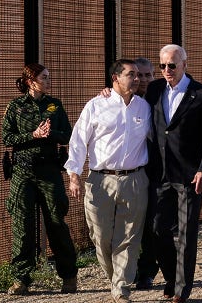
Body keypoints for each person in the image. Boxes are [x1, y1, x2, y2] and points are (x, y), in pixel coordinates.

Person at [65, 59, 151, 303]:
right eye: (131, 75)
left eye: (138, 75)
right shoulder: (96, 105)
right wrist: (74, 174)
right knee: (100, 236)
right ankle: (116, 277)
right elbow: (79, 141)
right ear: (115, 78)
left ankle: (121, 288)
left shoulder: (144, 107)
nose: (137, 79)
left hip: (135, 179)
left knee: (129, 237)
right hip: (100, 181)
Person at [144, 44, 202, 303]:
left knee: (187, 234)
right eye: (162, 66)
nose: (166, 70)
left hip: (189, 176)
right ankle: (171, 277)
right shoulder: (153, 90)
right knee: (157, 228)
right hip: (160, 173)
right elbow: (128, 101)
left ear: (185, 65)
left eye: (172, 66)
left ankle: (182, 288)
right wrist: (107, 92)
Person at [2, 63, 78, 295]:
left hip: (49, 171)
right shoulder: (15, 106)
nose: (48, 81)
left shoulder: (54, 105)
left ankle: (68, 276)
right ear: (30, 81)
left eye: (49, 77)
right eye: (44, 77)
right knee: (22, 226)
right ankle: (21, 280)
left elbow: (68, 133)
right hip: (23, 173)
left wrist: (51, 133)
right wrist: (32, 134)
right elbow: (7, 137)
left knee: (56, 223)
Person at [131, 56, 160, 290]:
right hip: (130, 170)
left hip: (155, 171)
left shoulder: (160, 96)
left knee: (151, 223)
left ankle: (147, 271)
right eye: (137, 75)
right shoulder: (121, 99)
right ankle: (128, 268)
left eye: (147, 75)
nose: (142, 80)